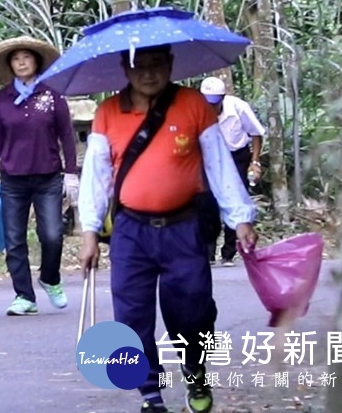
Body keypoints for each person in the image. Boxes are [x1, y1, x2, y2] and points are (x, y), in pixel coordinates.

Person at [77, 45, 258, 413]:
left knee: (192, 309)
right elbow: (95, 178)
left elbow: (221, 167)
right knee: (131, 314)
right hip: (131, 231)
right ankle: (150, 394)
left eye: (156, 64)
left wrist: (240, 219)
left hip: (184, 227)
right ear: (125, 70)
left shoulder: (194, 105)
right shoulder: (107, 113)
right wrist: (89, 233)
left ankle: (195, 369)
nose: (148, 73)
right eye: (138, 66)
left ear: (170, 65)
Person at [0, 37, 77, 316]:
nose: (21, 62)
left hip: (47, 176)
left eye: (26, 57)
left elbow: (66, 136)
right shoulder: (4, 97)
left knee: (52, 234)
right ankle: (24, 296)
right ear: (10, 65)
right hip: (13, 178)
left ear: (36, 62)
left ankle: (50, 277)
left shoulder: (53, 94)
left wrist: (71, 173)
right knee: (14, 239)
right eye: (16, 58)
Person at [199, 76, 266, 267]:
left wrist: (255, 162)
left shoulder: (238, 107)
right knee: (207, 202)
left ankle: (228, 253)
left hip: (237, 156)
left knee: (236, 199)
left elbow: (256, 133)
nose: (211, 107)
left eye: (214, 103)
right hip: (209, 157)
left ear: (222, 98)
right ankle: (208, 252)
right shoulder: (197, 111)